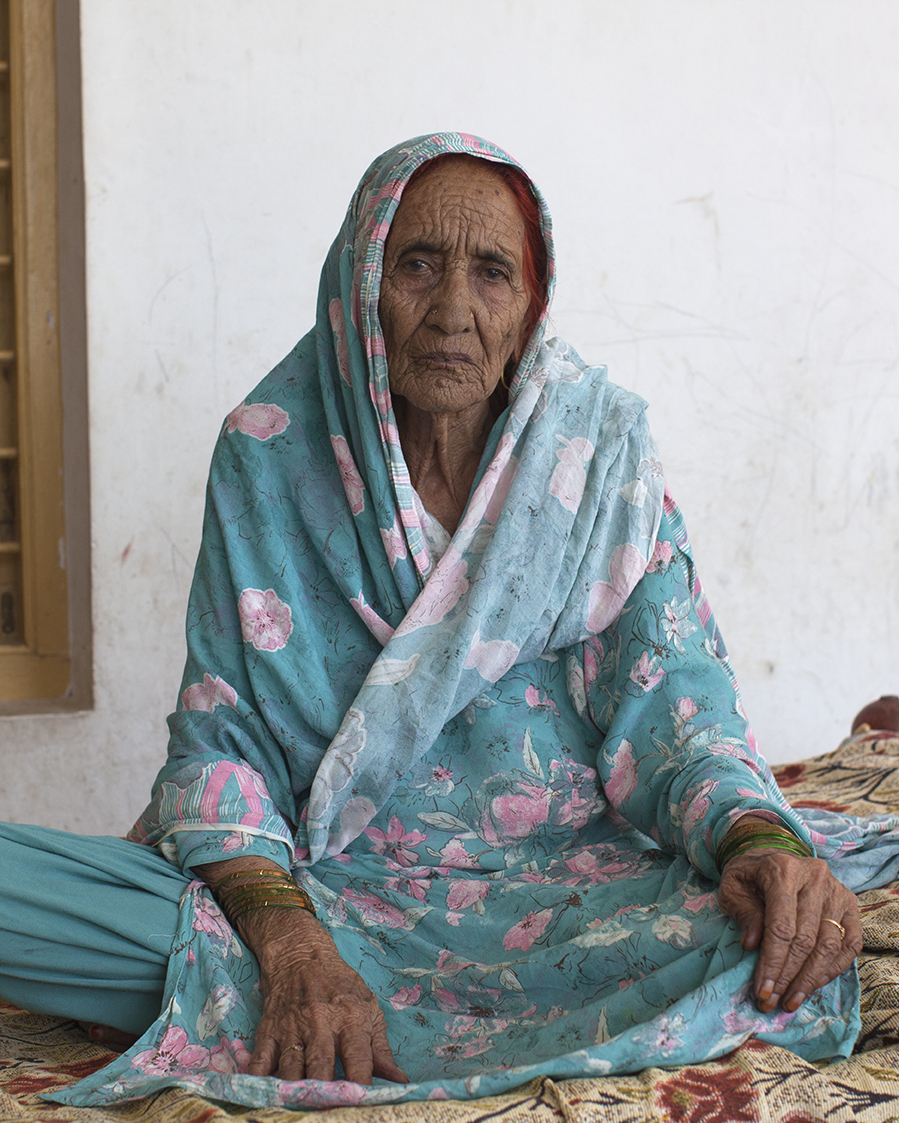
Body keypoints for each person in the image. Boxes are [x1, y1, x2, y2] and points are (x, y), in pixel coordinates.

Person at [1, 133, 896, 1112]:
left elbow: (677, 712)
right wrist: (291, 943)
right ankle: (286, 972)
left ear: (531, 304)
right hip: (320, 887)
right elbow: (225, 743)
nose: (452, 310)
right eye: (417, 265)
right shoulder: (270, 452)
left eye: (492, 273)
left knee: (771, 928)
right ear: (360, 283)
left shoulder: (597, 454)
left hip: (567, 898)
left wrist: (757, 838)